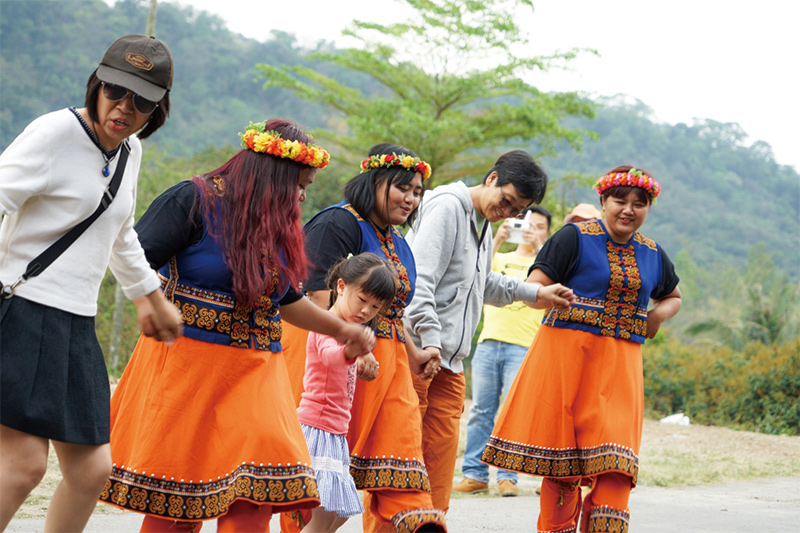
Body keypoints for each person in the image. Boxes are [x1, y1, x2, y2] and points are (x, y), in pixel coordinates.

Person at [97, 120, 376, 532]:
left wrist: (341, 329)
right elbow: (130, 257)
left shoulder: (277, 225)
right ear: (274, 176)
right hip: (187, 370)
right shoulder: (193, 200)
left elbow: (284, 299)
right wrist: (153, 301)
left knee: (257, 490)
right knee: (179, 500)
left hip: (256, 371)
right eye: (300, 184)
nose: (302, 196)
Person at [0, 34, 182, 532]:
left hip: (76, 322)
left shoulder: (131, 152)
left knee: (92, 470)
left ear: (157, 109)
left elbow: (119, 232)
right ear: (95, 85)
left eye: (140, 100)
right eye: (114, 91)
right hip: (21, 311)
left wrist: (148, 295)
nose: (123, 107)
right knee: (22, 466)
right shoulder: (55, 133)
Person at [482, 166, 682, 533]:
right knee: (563, 469)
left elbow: (673, 296)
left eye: (639, 204)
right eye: (620, 200)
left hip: (621, 371)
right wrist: (550, 297)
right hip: (567, 363)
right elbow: (534, 289)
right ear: (603, 200)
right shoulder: (573, 238)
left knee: (616, 467)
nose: (628, 210)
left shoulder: (652, 253)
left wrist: (656, 317)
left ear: (648, 208)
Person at [280, 144, 446, 533]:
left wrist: (414, 352)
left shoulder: (399, 242)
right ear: (374, 181)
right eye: (402, 187)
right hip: (335, 362)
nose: (410, 198)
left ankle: (418, 520)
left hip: (389, 366)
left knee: (400, 459)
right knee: (322, 475)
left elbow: (391, 310)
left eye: (417, 191)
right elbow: (318, 298)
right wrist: (347, 350)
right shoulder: (337, 223)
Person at [402, 150, 574, 514]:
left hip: (448, 364)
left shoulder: (483, 221)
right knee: (401, 470)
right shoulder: (448, 207)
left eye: (517, 210)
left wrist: (536, 293)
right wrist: (430, 342)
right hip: (417, 357)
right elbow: (417, 281)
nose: (508, 212)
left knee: (436, 473)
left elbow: (484, 284)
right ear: (492, 178)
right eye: (507, 201)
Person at [453, 206, 552, 498]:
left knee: (511, 413)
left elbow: (557, 283)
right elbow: (477, 272)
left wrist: (540, 248)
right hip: (488, 341)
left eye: (538, 226)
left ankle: (508, 476)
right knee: (480, 411)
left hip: (523, 345)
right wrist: (496, 240)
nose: (530, 229)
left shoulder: (544, 264)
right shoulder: (501, 256)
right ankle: (474, 474)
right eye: (526, 223)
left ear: (547, 231)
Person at [299, 253, 397, 532]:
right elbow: (330, 356)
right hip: (317, 427)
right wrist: (353, 350)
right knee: (323, 518)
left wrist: (362, 355)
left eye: (375, 307)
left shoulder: (350, 328)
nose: (366, 311)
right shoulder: (326, 323)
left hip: (335, 431)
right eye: (362, 299)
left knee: (339, 513)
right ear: (341, 287)